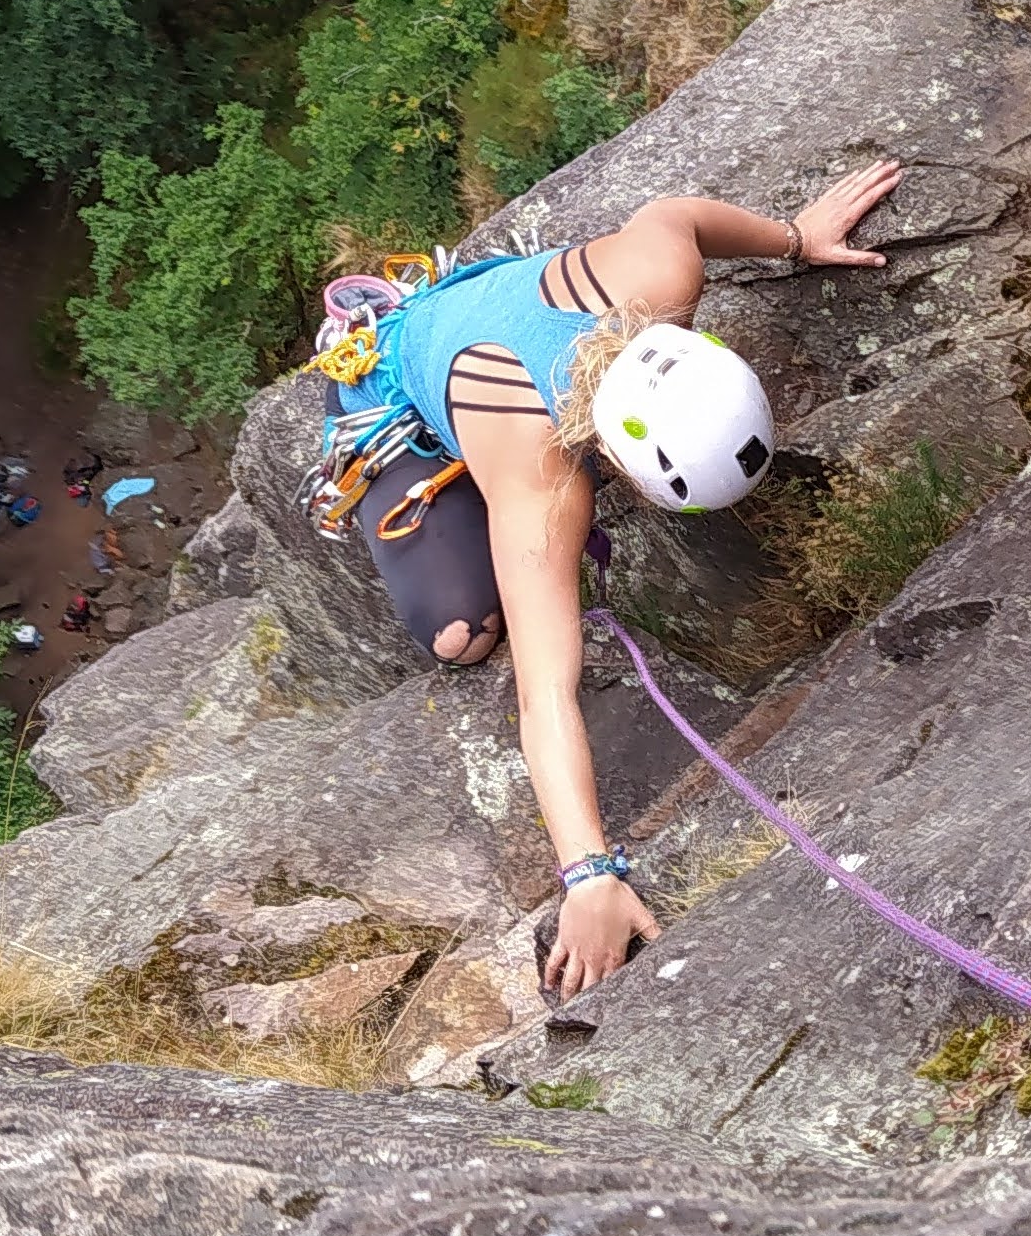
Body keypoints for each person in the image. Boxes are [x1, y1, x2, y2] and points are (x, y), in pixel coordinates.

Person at [336, 162, 903, 998]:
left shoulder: (665, 274)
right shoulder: (541, 485)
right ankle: (413, 442)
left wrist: (796, 239)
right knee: (462, 635)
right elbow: (545, 693)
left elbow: (681, 212)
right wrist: (589, 874)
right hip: (393, 381)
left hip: (496, 308)